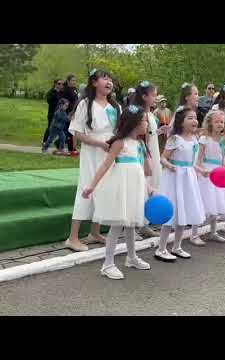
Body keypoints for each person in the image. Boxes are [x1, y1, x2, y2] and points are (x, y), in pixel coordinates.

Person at [81, 105, 152, 280]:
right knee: (117, 225)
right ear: (134, 123)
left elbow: (143, 170)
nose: (147, 124)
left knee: (130, 224)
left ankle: (132, 257)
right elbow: (106, 165)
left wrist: (148, 186)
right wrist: (91, 185)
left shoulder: (140, 144)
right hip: (121, 188)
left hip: (134, 188)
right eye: (144, 121)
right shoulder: (120, 143)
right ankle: (108, 263)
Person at [66, 69, 121, 252]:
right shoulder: (85, 104)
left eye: (110, 79)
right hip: (92, 152)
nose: (109, 81)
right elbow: (78, 133)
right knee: (86, 188)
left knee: (103, 189)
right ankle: (72, 237)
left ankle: (94, 233)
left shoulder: (115, 107)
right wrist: (99, 143)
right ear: (94, 82)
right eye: (104, 78)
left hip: (109, 153)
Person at [155, 106, 206, 261]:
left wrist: (201, 170)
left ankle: (177, 246)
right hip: (174, 178)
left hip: (188, 179)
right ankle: (161, 248)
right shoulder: (175, 139)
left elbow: (190, 163)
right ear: (181, 122)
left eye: (195, 117)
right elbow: (162, 158)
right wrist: (169, 165)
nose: (194, 120)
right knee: (170, 213)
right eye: (189, 118)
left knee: (183, 212)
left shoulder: (195, 140)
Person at [196, 110, 225, 240]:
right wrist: (202, 170)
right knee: (203, 204)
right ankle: (194, 234)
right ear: (210, 123)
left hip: (219, 175)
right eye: (217, 122)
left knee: (215, 205)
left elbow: (224, 161)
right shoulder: (204, 139)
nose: (220, 124)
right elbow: (198, 160)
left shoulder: (223, 141)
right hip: (206, 173)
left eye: (222, 122)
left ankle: (213, 232)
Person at [133, 80, 162, 238]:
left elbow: (150, 134)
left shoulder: (150, 114)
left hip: (154, 152)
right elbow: (141, 137)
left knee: (150, 186)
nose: (156, 98)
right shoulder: (140, 114)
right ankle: (133, 226)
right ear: (144, 96)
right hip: (146, 154)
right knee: (142, 187)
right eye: (153, 95)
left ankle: (145, 223)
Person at [44, 79, 64, 146]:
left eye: (62, 84)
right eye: (59, 83)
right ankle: (44, 141)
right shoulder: (51, 92)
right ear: (55, 84)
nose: (61, 85)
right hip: (52, 113)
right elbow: (49, 101)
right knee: (50, 127)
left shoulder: (61, 93)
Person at [63, 74, 79, 153]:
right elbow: (65, 102)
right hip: (69, 112)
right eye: (72, 80)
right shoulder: (66, 90)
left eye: (75, 80)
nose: (74, 82)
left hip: (75, 112)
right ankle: (71, 148)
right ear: (68, 81)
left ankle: (59, 142)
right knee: (70, 130)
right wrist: (69, 113)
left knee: (73, 130)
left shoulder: (75, 89)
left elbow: (76, 100)